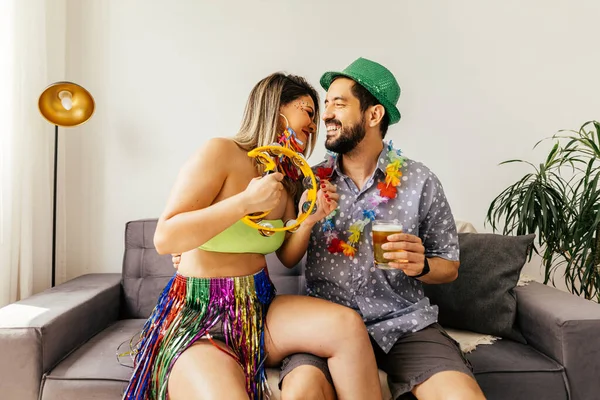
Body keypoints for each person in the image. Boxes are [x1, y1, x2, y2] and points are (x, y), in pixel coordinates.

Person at [122, 72, 383, 400]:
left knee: (347, 326)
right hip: (200, 318)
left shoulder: (287, 177)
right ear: (276, 109)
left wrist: (309, 219)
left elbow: (287, 256)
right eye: (309, 111)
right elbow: (166, 237)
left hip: (259, 306)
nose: (315, 124)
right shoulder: (221, 152)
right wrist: (245, 202)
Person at [277, 58, 487, 400]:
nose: (326, 115)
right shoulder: (310, 180)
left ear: (373, 115)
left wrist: (422, 265)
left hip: (404, 325)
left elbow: (449, 267)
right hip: (326, 324)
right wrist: (309, 219)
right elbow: (286, 258)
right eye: (326, 104)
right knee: (301, 391)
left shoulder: (420, 181)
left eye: (339, 104)